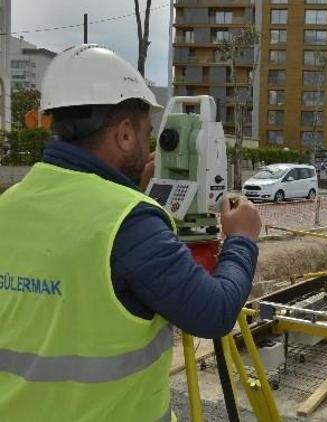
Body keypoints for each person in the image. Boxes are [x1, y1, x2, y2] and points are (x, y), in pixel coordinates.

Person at [0, 45, 262, 421]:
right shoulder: (132, 223)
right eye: (146, 132)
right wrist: (241, 239)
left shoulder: (9, 205)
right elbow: (215, 312)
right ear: (124, 134)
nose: (150, 144)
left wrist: (130, 192)